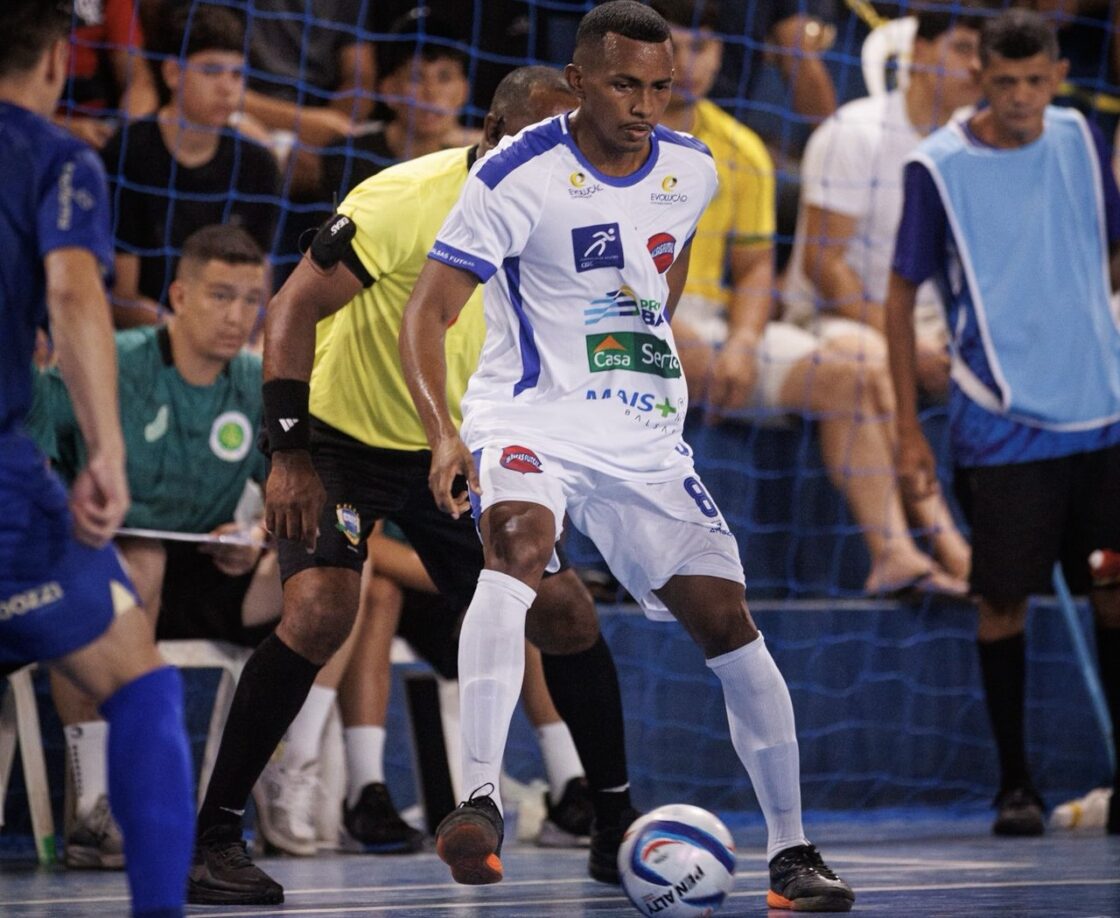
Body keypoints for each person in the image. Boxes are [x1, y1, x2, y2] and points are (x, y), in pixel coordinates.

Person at [399, 2, 854, 910]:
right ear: (578, 82)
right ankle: (479, 798)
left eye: (659, 86)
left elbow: (664, 266)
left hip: (641, 435)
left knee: (728, 623)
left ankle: (793, 855)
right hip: (531, 414)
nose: (644, 103)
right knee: (517, 548)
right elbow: (429, 311)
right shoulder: (513, 172)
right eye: (622, 84)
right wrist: (443, 431)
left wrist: (643, 329)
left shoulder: (691, 169)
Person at [187, 64, 634, 906]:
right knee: (321, 611)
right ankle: (213, 837)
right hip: (342, 441)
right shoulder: (405, 199)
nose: (565, 154)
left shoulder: (571, 218)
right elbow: (288, 310)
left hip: (464, 449)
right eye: (548, 137)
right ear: (499, 136)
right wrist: (288, 455)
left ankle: (613, 823)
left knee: (565, 612)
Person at [885, 8, 1120, 837]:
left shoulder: (1086, 140)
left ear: (1057, 74)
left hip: (1103, 418)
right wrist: (909, 429)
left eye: (1036, 80)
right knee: (1002, 602)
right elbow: (899, 291)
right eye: (1005, 81)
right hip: (1001, 422)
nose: (1022, 97)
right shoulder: (937, 167)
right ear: (981, 77)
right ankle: (1014, 784)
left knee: (1113, 592)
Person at [653, 0, 970, 597]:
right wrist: (666, 330)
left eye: (702, 47)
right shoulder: (597, 143)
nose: (687, 64)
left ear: (721, 55)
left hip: (717, 322)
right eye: (672, 46)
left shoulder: (740, 148)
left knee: (853, 372)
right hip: (627, 328)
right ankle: (948, 546)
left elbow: (753, 270)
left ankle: (897, 554)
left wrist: (746, 342)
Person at [0, 2, 193, 914]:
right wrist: (106, 452)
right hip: (8, 496)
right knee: (145, 690)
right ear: (54, 59)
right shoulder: (57, 157)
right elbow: (76, 290)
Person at [25, 224, 275, 866]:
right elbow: (34, 461)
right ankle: (94, 806)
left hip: (211, 564)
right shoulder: (115, 362)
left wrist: (253, 534)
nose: (238, 316)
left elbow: (281, 494)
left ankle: (294, 790)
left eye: (252, 300)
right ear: (179, 297)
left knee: (324, 578)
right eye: (221, 296)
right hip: (101, 566)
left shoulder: (256, 382)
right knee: (137, 559)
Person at [784, 3, 985, 408]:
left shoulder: (978, 148)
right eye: (963, 49)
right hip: (839, 318)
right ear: (921, 50)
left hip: (935, 322)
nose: (978, 65)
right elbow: (824, 265)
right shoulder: (856, 132)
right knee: (879, 369)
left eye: (986, 55)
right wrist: (907, 341)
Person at [100, 5, 280, 326]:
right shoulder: (127, 154)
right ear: (172, 73)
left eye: (237, 74)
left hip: (227, 336)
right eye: (211, 71)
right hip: (148, 339)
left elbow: (258, 289)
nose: (228, 87)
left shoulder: (258, 164)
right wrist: (187, 333)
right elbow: (120, 298)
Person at [318, 10, 477, 201]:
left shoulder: (484, 163)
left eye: (444, 77)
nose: (431, 93)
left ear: (463, 90)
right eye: (416, 78)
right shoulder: (349, 158)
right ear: (389, 90)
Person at [58, 0, 158, 149]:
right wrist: (63, 127)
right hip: (31, 131)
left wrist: (124, 135)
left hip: (101, 133)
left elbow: (138, 80)